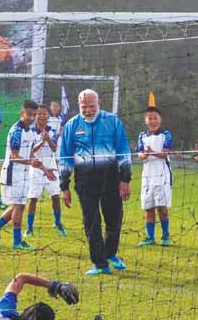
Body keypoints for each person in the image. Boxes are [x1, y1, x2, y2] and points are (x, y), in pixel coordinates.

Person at [58, 89, 132, 276]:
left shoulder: (112, 121)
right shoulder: (71, 125)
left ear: (99, 104)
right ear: (79, 106)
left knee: (114, 218)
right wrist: (64, 185)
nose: (88, 110)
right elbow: (65, 157)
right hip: (85, 180)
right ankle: (100, 264)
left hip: (111, 178)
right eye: (84, 107)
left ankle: (110, 253)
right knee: (91, 221)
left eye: (92, 106)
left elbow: (123, 150)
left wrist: (125, 179)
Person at [0, 100, 50, 252]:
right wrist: (30, 162)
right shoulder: (16, 131)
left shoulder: (31, 131)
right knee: (18, 206)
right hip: (13, 174)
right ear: (22, 113)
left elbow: (31, 152)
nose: (32, 118)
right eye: (29, 115)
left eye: (34, 115)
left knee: (17, 206)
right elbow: (14, 156)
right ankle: (17, 242)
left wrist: (43, 165)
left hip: (24, 174)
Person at [25, 105, 65, 238]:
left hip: (51, 166)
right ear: (36, 116)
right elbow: (31, 151)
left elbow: (54, 148)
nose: (42, 116)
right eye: (39, 114)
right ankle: (29, 228)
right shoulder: (30, 132)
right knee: (33, 198)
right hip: (36, 167)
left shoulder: (52, 131)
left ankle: (58, 223)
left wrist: (48, 139)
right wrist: (42, 141)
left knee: (55, 196)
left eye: (44, 114)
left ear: (48, 116)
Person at [136, 106, 173, 247]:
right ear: (145, 121)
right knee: (148, 207)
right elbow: (139, 154)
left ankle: (165, 236)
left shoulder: (166, 134)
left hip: (162, 176)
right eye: (149, 118)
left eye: (155, 118)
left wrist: (151, 152)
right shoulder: (142, 136)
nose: (152, 121)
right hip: (147, 176)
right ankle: (150, 237)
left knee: (162, 208)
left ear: (160, 119)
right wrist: (143, 155)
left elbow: (164, 154)